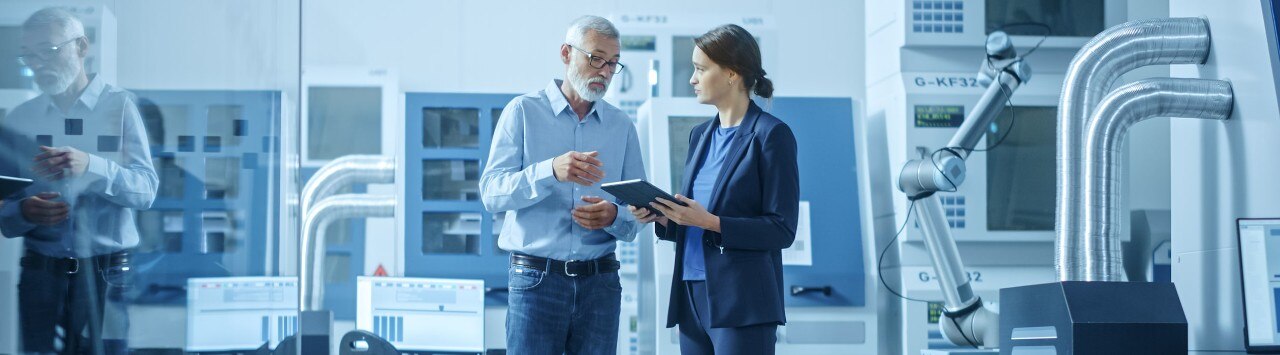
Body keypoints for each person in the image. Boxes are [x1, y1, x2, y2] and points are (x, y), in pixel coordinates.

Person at [479, 15, 646, 354]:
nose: (604, 71)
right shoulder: (523, 112)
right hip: (536, 283)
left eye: (613, 64)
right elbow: (492, 193)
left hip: (600, 285)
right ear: (567, 53)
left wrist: (614, 216)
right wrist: (550, 171)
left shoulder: (621, 125)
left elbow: (637, 212)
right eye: (596, 58)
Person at [629, 24, 799, 355]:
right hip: (691, 296)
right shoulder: (700, 136)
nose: (692, 79)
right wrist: (664, 218)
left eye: (701, 69)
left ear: (733, 73)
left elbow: (781, 229)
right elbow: (693, 222)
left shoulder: (771, 136)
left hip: (742, 302)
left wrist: (713, 222)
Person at [0, 7, 158, 355]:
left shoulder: (122, 107)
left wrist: (92, 165)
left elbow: (146, 191)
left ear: (82, 47)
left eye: (49, 50)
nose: (37, 63)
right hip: (40, 273)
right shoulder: (20, 118)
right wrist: (23, 210)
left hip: (107, 275)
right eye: (29, 54)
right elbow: (4, 207)